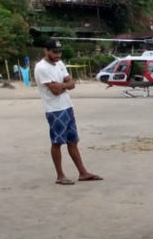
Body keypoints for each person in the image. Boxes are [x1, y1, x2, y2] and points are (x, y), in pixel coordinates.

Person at [34, 39, 102, 185]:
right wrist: (66, 85)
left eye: (59, 52)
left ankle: (83, 172)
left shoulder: (59, 63)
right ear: (46, 51)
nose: (58, 54)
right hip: (54, 109)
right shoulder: (41, 68)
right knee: (57, 142)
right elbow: (55, 91)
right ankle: (60, 175)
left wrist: (63, 85)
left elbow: (70, 83)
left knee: (73, 141)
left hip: (67, 106)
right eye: (54, 52)